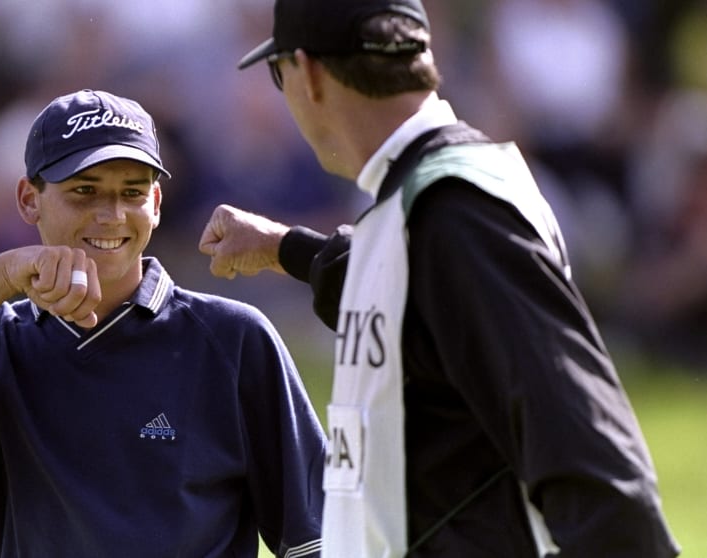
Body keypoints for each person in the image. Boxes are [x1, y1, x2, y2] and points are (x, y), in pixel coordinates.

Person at [198, 1, 680, 556]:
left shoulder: (456, 212)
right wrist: (285, 248)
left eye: (277, 73)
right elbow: (405, 296)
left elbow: (596, 465)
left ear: (306, 71)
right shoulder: (424, 200)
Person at [0, 89, 325, 558]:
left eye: (131, 193)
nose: (111, 215)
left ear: (156, 203)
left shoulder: (232, 340)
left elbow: (319, 538)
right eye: (84, 192)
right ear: (29, 200)